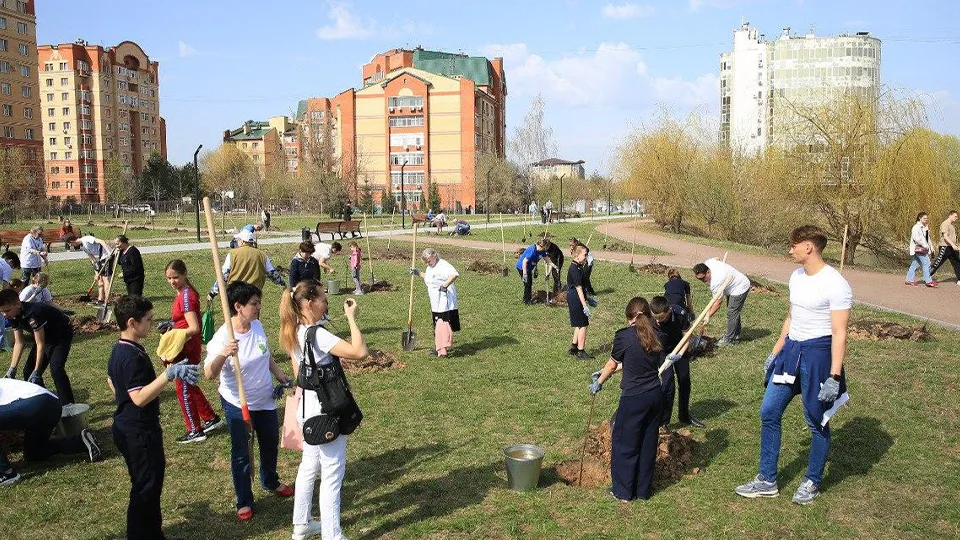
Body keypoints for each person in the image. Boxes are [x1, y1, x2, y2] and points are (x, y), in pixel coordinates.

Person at [735, 225, 852, 505]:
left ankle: (812, 479)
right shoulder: (796, 277)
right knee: (769, 411)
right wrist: (775, 351)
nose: (790, 250)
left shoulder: (835, 284)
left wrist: (834, 376)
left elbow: (839, 333)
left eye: (794, 245)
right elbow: (791, 316)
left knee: (816, 420)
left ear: (809, 247)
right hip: (791, 352)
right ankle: (767, 480)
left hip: (819, 356)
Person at [279, 279, 369, 540]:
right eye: (323, 300)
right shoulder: (317, 334)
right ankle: (333, 535)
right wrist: (351, 318)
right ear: (309, 303)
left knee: (309, 466)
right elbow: (359, 351)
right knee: (332, 473)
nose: (326, 304)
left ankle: (302, 524)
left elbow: (298, 373)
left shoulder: (292, 329)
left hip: (306, 407)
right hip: (326, 412)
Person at [108, 294, 199, 539]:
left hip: (129, 426)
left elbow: (112, 383)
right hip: (139, 432)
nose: (151, 323)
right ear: (131, 323)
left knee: (149, 483)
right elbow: (138, 398)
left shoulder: (120, 349)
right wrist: (169, 375)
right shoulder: (130, 357)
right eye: (147, 320)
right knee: (145, 487)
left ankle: (153, 533)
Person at [204, 281, 294, 521]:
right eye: (253, 304)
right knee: (242, 452)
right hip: (237, 402)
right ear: (237, 306)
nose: (258, 307)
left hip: (264, 399)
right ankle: (244, 500)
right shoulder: (223, 336)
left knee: (270, 442)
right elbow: (209, 374)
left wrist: (279, 374)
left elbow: (265, 355)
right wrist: (224, 353)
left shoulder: (257, 325)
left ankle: (270, 480)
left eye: (258, 302)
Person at [589, 297, 672, 501]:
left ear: (629, 318)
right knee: (647, 442)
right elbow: (634, 361)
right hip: (654, 396)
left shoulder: (624, 337)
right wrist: (604, 372)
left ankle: (623, 492)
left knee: (625, 443)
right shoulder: (656, 335)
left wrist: (599, 381)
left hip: (634, 398)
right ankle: (643, 491)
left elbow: (612, 364)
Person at [0, 377, 102, 487]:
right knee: (33, 453)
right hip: (52, 405)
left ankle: (6, 473)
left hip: (36, 403)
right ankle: (80, 441)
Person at [164, 260, 222, 443]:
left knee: (183, 389)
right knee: (188, 384)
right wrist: (171, 324)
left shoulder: (187, 297)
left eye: (176, 277)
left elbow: (194, 327)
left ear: (185, 274)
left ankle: (194, 430)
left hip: (186, 347)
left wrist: (174, 334)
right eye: (169, 278)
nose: (172, 281)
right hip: (187, 345)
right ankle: (210, 417)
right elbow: (184, 320)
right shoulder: (184, 292)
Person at [0, 288, 76, 404]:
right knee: (28, 371)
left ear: (18, 304)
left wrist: (37, 370)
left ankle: (68, 405)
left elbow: (40, 344)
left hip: (61, 335)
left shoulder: (33, 313)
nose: (5, 314)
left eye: (7, 310)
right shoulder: (13, 315)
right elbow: (19, 342)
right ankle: (45, 403)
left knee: (56, 369)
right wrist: (12, 369)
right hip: (44, 337)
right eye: (2, 312)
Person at [650, 296, 703, 427]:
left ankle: (684, 415)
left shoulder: (680, 314)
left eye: (661, 318)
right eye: (655, 317)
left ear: (669, 311)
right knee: (668, 385)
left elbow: (687, 337)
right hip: (662, 351)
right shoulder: (649, 317)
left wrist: (679, 354)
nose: (657, 321)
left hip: (680, 349)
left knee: (684, 381)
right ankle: (664, 422)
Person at [411, 248, 460, 357]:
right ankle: (440, 347)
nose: (428, 263)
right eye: (426, 262)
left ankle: (442, 349)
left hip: (444, 299)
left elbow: (454, 274)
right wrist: (418, 273)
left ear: (434, 256)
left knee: (442, 324)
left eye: (429, 260)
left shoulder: (443, 265)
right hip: (435, 300)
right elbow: (430, 278)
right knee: (437, 324)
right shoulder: (430, 267)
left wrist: (445, 285)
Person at [209, 229, 285, 299]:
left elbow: (224, 276)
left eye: (238, 240)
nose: (237, 241)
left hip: (236, 295)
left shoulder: (232, 254)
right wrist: (282, 282)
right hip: (254, 295)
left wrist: (213, 292)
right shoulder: (262, 255)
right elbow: (272, 274)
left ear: (242, 241)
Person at [693, 258, 751, 347]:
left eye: (703, 278)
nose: (702, 280)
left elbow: (718, 303)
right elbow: (716, 258)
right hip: (730, 284)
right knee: (733, 312)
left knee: (732, 312)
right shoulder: (709, 262)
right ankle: (736, 335)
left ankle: (729, 339)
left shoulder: (716, 282)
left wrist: (708, 315)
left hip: (739, 287)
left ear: (708, 272)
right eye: (699, 279)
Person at [566, 245, 593, 360]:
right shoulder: (575, 269)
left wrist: (589, 298)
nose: (586, 257)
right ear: (577, 255)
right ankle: (581, 351)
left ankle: (573, 347)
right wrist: (584, 305)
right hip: (576, 298)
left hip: (575, 298)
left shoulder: (578, 266)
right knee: (583, 324)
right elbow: (579, 288)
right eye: (585, 255)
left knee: (578, 323)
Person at [70, 234, 113, 305]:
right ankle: (100, 300)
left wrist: (109, 252)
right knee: (99, 279)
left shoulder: (87, 239)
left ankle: (107, 300)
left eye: (71, 245)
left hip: (107, 256)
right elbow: (92, 259)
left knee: (105, 279)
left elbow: (101, 241)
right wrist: (96, 273)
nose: (72, 246)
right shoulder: (83, 247)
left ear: (71, 242)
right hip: (100, 259)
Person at [906, 212, 937, 287]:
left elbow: (928, 238)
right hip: (919, 248)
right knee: (927, 263)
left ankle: (909, 280)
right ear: (920, 218)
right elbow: (916, 239)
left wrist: (931, 248)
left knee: (915, 264)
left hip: (923, 248)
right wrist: (925, 245)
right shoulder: (916, 227)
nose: (926, 220)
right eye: (924, 218)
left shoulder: (925, 227)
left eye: (926, 218)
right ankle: (928, 281)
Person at [516, 238, 550, 305]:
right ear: (540, 246)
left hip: (528, 268)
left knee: (529, 283)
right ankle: (526, 301)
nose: (545, 249)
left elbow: (548, 260)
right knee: (527, 284)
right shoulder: (532, 250)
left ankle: (528, 298)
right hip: (522, 267)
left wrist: (555, 266)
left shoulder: (541, 250)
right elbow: (524, 262)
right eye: (544, 247)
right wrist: (525, 274)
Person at [931, 210, 960, 284]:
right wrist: (953, 245)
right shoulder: (945, 224)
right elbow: (945, 236)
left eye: (957, 217)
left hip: (952, 248)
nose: (956, 218)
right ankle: (927, 276)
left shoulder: (952, 226)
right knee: (937, 263)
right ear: (950, 215)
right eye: (955, 216)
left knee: (957, 263)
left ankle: (959, 279)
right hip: (945, 247)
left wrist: (955, 245)